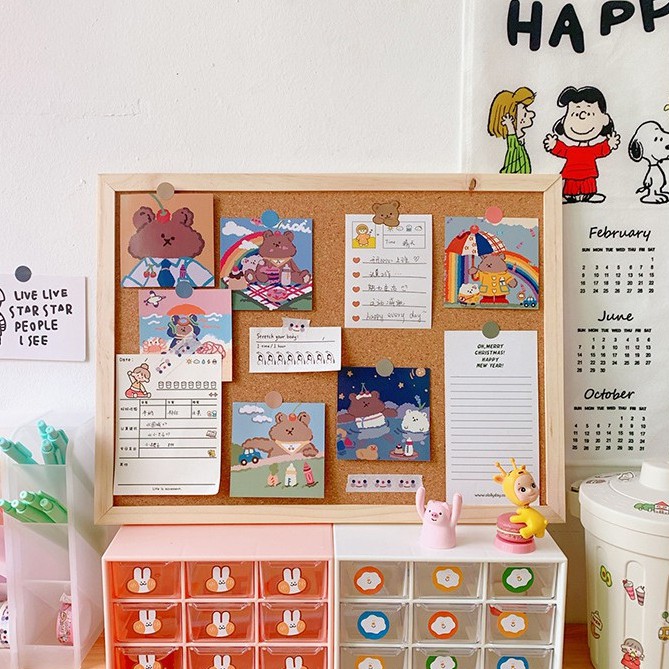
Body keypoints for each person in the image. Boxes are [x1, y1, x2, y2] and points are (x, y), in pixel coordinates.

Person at [544, 86, 620, 203]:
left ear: (604, 119)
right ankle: (569, 196)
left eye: (589, 114)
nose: (582, 117)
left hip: (588, 173)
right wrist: (554, 145)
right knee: (571, 186)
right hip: (571, 173)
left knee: (588, 184)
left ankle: (589, 195)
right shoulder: (571, 150)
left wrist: (609, 144)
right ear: (563, 121)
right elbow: (562, 149)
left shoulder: (592, 150)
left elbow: (601, 149)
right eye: (574, 114)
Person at [488, 87, 536, 174]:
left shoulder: (519, 143)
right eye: (525, 114)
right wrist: (510, 126)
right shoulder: (514, 145)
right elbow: (512, 140)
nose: (532, 114)